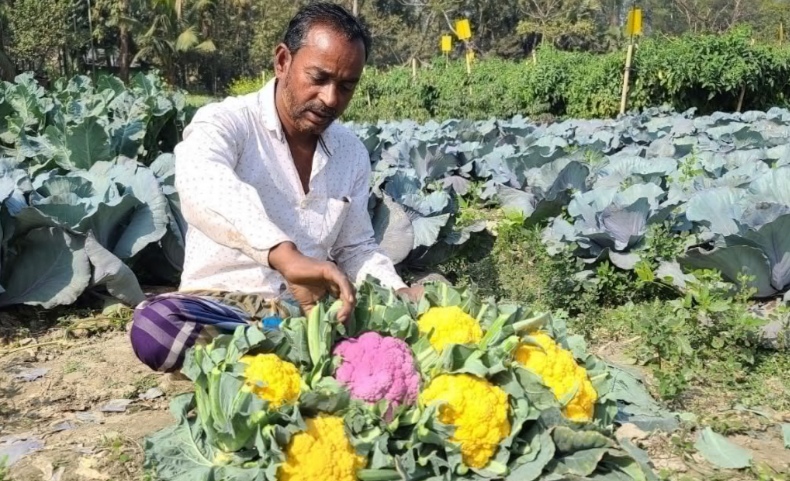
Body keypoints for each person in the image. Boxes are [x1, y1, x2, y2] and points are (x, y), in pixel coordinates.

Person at [129, 2, 423, 373]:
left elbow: (356, 247)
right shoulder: (228, 123)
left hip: (311, 314)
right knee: (155, 327)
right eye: (318, 78)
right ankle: (303, 362)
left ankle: (280, 364)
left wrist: (396, 291)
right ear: (283, 61)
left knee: (423, 315)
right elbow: (202, 181)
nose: (331, 98)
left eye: (346, 86)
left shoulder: (350, 152)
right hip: (227, 307)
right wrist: (286, 257)